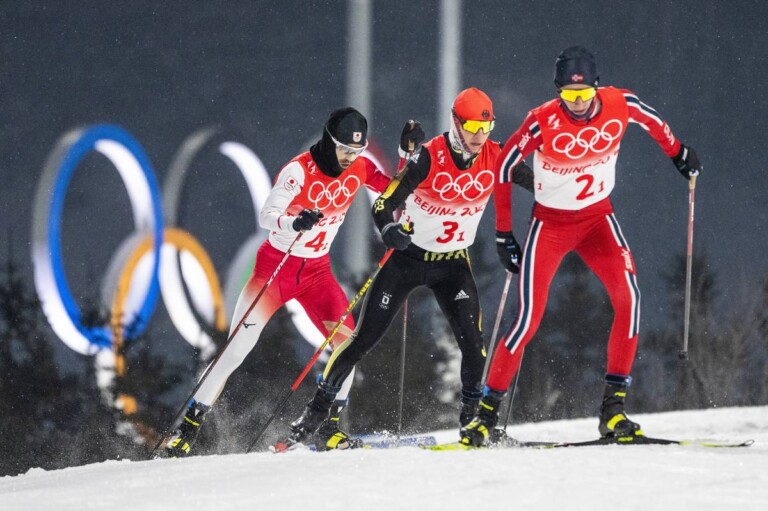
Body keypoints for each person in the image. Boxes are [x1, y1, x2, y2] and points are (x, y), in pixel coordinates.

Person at [460, 46, 703, 447]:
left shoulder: (618, 102)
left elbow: (654, 122)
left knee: (630, 299)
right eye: (569, 97)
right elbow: (503, 165)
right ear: (558, 93)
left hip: (597, 221)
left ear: (596, 86)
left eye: (585, 94)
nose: (578, 104)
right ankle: (486, 416)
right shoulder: (541, 121)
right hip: (551, 226)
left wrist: (678, 153)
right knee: (527, 321)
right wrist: (504, 233)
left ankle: (613, 411)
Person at [279, 88, 534, 449]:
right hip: (408, 260)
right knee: (362, 339)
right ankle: (317, 413)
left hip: (452, 265)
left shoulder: (497, 155)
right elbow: (384, 205)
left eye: (486, 126)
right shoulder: (430, 156)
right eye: (473, 126)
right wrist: (389, 231)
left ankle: (474, 425)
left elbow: (540, 183)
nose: (480, 135)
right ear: (456, 123)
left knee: (474, 345)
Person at [162, 107, 398, 456]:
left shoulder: (359, 168)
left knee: (349, 347)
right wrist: (295, 221)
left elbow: (393, 190)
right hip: (276, 272)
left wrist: (413, 164)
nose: (350, 158)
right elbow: (267, 215)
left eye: (356, 151)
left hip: (317, 274)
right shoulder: (299, 170)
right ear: (328, 140)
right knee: (236, 349)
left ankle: (329, 430)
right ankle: (187, 429)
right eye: (344, 149)